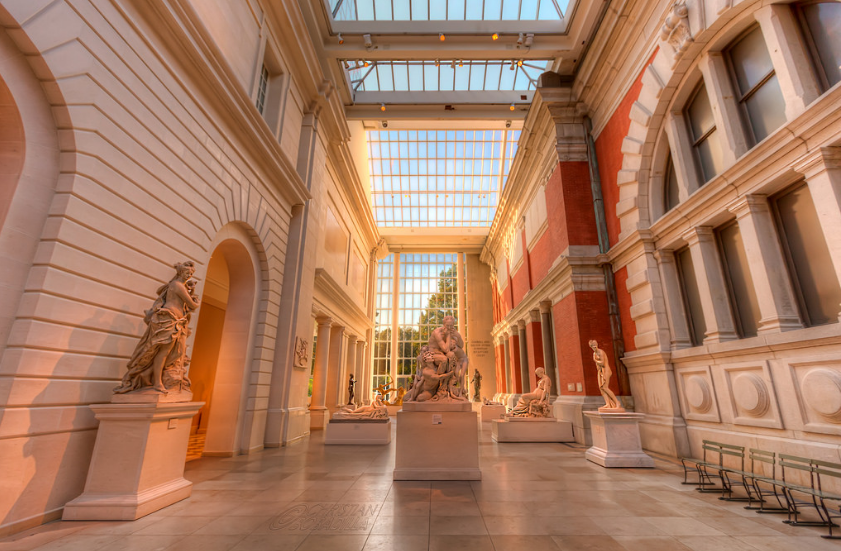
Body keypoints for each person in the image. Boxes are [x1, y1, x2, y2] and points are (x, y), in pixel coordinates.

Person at [114, 261, 200, 394]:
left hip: (177, 321)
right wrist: (197, 300)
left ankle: (148, 373)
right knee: (163, 351)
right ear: (181, 272)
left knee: (175, 352)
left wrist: (191, 292)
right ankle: (157, 382)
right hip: (169, 319)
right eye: (187, 273)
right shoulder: (177, 285)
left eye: (191, 274)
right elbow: (192, 305)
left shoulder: (179, 285)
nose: (189, 276)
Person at [589, 339, 622, 410]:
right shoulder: (594, 354)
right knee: (601, 389)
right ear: (591, 347)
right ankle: (608, 404)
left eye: (595, 346)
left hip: (606, 370)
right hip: (600, 371)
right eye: (592, 346)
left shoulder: (601, 352)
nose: (594, 347)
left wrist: (595, 360)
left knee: (605, 387)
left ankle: (617, 402)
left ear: (597, 345)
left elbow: (603, 363)